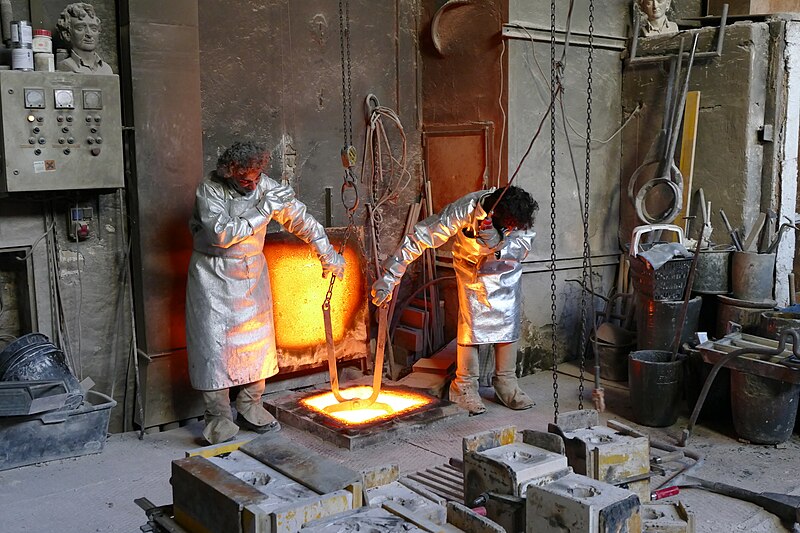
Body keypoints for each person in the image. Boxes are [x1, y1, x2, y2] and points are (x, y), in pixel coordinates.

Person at [186, 141, 345, 444]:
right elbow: (221, 235)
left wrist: (327, 253)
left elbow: (301, 219)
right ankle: (218, 418)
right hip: (213, 274)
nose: (253, 184)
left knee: (256, 343)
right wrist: (264, 209)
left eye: (257, 178)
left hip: (251, 274)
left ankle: (250, 405)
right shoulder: (210, 189)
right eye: (245, 179)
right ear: (229, 172)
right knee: (214, 347)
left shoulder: (265, 187)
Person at [372, 186, 538, 415]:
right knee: (472, 326)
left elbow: (524, 245)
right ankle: (465, 386)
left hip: (507, 273)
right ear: (494, 214)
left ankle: (506, 382)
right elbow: (421, 236)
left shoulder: (516, 215)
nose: (513, 229)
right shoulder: (464, 210)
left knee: (508, 322)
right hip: (474, 274)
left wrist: (500, 245)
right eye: (508, 226)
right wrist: (390, 276)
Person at [56, 3, 114, 74]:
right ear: (67, 34)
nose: (89, 34)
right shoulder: (65, 67)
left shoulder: (106, 69)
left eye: (94, 29)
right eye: (80, 28)